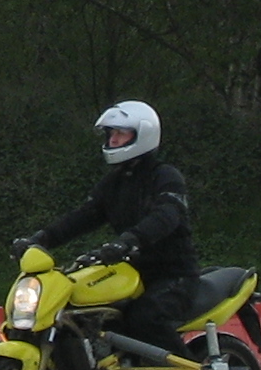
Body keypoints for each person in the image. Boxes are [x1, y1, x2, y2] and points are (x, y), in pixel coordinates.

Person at [18, 100, 199, 354]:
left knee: (145, 318)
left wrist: (129, 240)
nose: (113, 139)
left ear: (144, 134)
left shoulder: (165, 176)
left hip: (173, 274)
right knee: (88, 314)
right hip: (128, 274)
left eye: (121, 133)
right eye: (111, 133)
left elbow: (167, 215)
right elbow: (82, 217)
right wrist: (40, 239)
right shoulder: (113, 183)